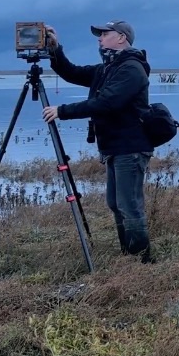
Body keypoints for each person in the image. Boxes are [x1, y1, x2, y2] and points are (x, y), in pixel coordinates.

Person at [41, 19, 155, 263]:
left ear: (121, 37)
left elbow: (108, 103)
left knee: (128, 205)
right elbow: (71, 72)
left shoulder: (131, 69)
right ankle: (129, 255)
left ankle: (142, 260)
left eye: (104, 34)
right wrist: (54, 48)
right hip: (114, 147)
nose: (99, 39)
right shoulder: (107, 69)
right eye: (99, 35)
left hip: (131, 147)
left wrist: (62, 110)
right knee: (115, 203)